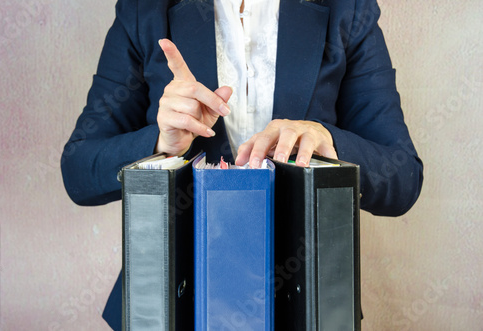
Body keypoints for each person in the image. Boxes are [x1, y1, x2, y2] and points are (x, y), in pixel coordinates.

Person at [61, 0, 423, 329]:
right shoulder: (144, 10)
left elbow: (403, 177)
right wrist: (160, 142)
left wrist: (327, 140)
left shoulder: (348, 9)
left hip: (307, 302)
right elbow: (79, 170)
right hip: (171, 303)